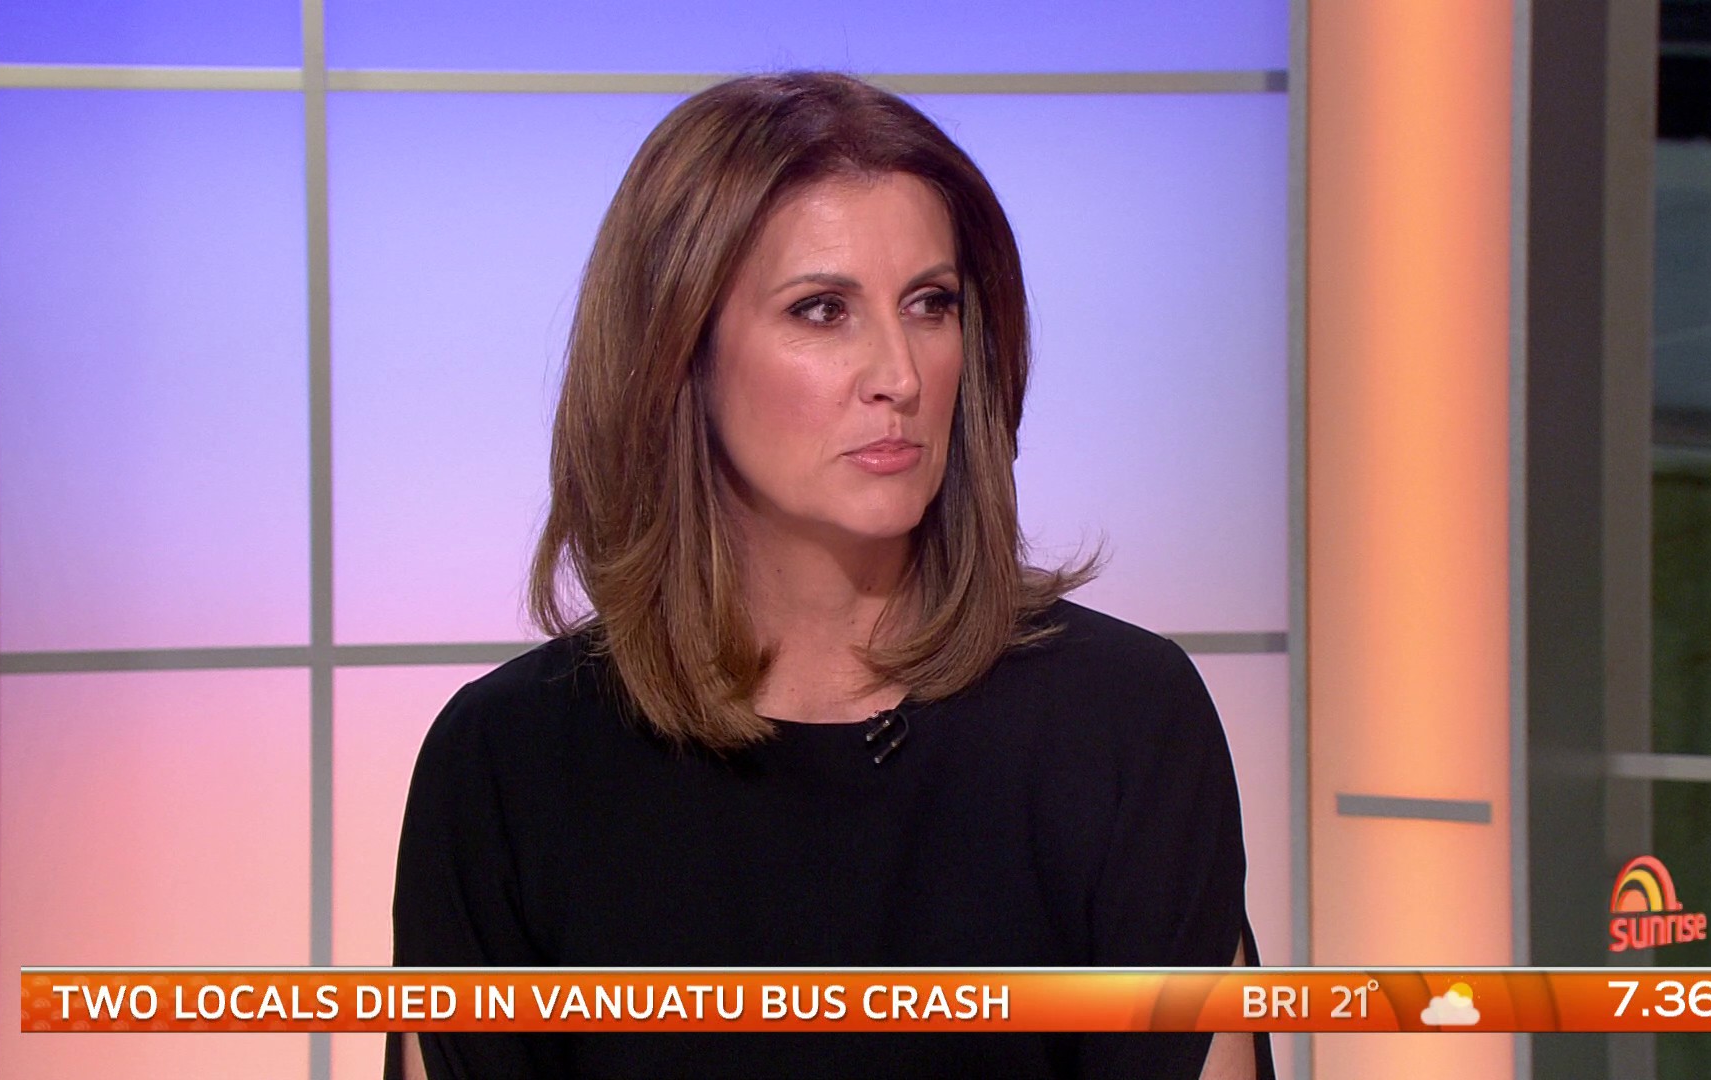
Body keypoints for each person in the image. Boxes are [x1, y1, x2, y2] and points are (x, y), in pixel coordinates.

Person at [386, 70, 1274, 1080]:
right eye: (822, 310)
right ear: (679, 356)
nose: (899, 374)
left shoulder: (1124, 726)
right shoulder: (505, 765)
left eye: (930, 304)